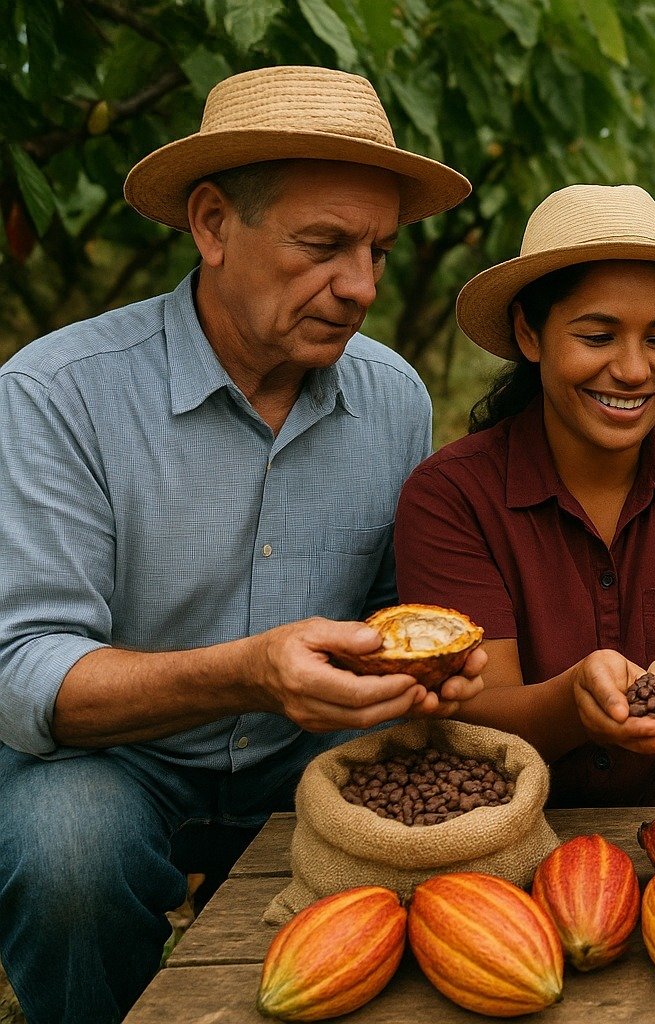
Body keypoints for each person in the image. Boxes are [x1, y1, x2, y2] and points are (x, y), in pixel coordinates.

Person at [0, 66, 483, 1024]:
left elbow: (396, 610)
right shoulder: (58, 393)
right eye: (323, 246)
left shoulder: (392, 396)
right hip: (117, 758)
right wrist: (250, 672)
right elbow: (24, 671)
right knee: (68, 853)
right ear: (213, 225)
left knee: (459, 842)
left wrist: (424, 664)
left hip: (308, 753)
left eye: (380, 251)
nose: (360, 287)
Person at [393, 183, 655, 808]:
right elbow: (468, 722)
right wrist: (573, 703)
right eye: (598, 337)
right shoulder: (451, 497)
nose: (634, 370)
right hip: (511, 823)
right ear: (530, 334)